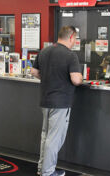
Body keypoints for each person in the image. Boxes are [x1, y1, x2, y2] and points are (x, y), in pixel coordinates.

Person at [31, 26, 83, 176]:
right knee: (54, 139)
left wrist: (49, 78)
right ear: (71, 37)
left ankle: (42, 169)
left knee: (45, 136)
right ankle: (48, 172)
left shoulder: (44, 50)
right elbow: (76, 79)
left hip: (45, 100)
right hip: (60, 102)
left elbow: (34, 72)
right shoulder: (70, 55)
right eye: (75, 39)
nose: (75, 42)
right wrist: (80, 78)